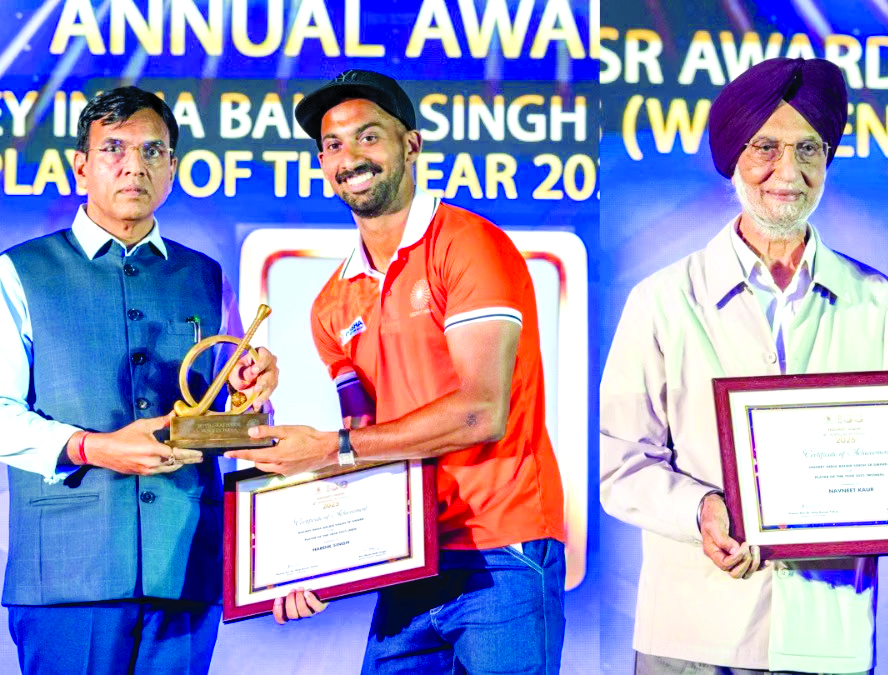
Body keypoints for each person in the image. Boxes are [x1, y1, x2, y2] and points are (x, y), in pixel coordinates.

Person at [600, 56, 888, 674]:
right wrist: (701, 508)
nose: (788, 171)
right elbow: (623, 465)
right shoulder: (662, 301)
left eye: (809, 149)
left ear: (828, 160)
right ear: (732, 157)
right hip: (692, 638)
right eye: (765, 147)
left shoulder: (883, 306)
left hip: (828, 639)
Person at [227, 69, 567, 674]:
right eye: (333, 145)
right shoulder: (332, 305)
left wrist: (328, 448)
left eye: (368, 136)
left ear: (410, 145)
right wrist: (308, 563)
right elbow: (367, 445)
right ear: (322, 164)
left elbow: (480, 413)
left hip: (502, 549)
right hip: (408, 556)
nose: (350, 158)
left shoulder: (468, 245)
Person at [0, 86, 278, 674]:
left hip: (186, 567)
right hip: (68, 575)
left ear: (172, 167)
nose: (135, 166)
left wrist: (249, 395)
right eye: (114, 149)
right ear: (81, 166)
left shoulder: (206, 276)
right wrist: (92, 447)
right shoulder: (19, 272)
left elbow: (232, 423)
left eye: (153, 151)